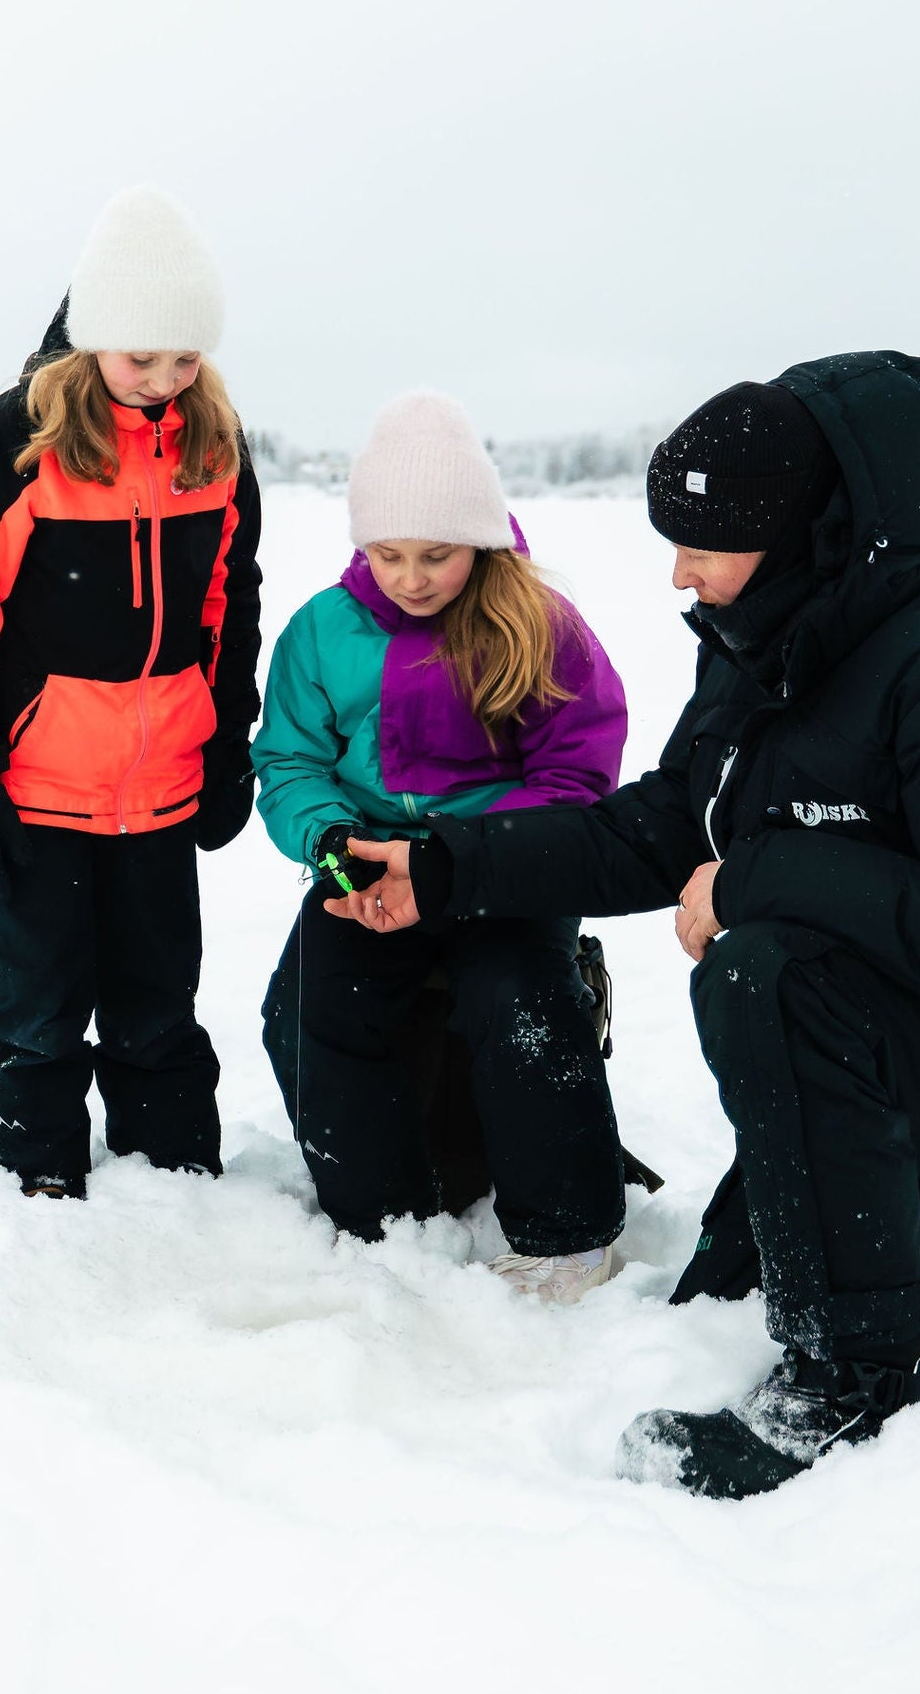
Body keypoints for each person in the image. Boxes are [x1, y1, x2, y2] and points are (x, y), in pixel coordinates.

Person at [331, 352, 920, 1496]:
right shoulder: (775, 646)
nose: (676, 574)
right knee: (729, 1276)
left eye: (700, 545)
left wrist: (760, 877)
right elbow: (669, 822)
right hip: (915, 1021)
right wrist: (445, 866)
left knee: (762, 970)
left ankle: (853, 1378)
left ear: (808, 534)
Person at [0, 186, 262, 1198]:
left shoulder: (214, 447)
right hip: (36, 792)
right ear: (91, 338)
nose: (161, 379)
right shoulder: (13, 444)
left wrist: (226, 744)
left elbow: (230, 614)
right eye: (138, 355)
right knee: (37, 1008)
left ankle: (176, 1181)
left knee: (159, 1005)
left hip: (159, 786)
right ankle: (33, 1188)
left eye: (184, 357)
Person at [253, 391, 631, 1298]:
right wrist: (335, 848)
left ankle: (570, 1233)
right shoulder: (321, 630)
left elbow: (578, 774)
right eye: (389, 554)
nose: (412, 577)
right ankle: (384, 1221)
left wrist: (474, 859)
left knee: (520, 1001)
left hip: (498, 868)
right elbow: (290, 758)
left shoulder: (540, 626)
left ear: (482, 540)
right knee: (308, 1004)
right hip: (369, 866)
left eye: (438, 554)